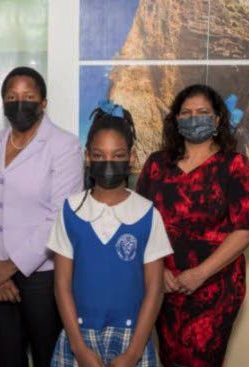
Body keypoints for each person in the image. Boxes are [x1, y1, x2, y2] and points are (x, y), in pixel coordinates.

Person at [0, 66, 83, 367]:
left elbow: (61, 215)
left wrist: (12, 266)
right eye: (11, 96)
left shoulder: (64, 146)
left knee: (48, 357)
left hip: (42, 279)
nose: (20, 103)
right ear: (2, 103)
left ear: (43, 102)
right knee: (8, 358)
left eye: (28, 96)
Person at [136, 84, 249, 367]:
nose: (194, 118)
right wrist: (159, 270)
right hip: (164, 287)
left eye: (203, 112)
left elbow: (247, 227)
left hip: (215, 288)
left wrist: (200, 273)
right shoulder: (157, 165)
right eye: (187, 113)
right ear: (176, 120)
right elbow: (139, 221)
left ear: (217, 120)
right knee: (170, 358)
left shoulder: (235, 165)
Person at [48, 100, 173, 367]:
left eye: (117, 155)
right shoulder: (70, 211)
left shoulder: (148, 214)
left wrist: (133, 353)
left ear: (131, 158)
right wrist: (79, 349)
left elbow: (155, 289)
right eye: (99, 154)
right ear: (87, 156)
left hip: (133, 340)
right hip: (77, 338)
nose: (108, 162)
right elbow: (61, 286)